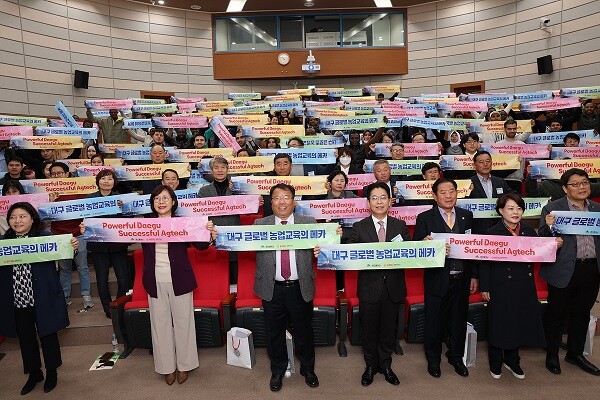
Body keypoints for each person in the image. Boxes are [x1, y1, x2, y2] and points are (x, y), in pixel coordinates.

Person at [0, 202, 78, 395]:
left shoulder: (44, 237)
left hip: (42, 295)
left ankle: (52, 372)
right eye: (13, 217)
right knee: (26, 338)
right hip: (17, 298)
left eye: (22, 216)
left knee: (48, 334)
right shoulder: (4, 241)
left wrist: (72, 247)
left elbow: (64, 253)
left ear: (32, 218)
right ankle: (34, 373)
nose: (17, 221)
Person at [251, 183, 320, 392]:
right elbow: (239, 243)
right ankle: (278, 370)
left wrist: (323, 247)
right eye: (277, 198)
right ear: (271, 202)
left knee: (304, 332)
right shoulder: (259, 224)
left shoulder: (309, 223)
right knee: (274, 333)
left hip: (301, 287)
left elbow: (325, 247)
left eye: (286, 197)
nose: (282, 201)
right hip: (271, 288)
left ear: (294, 201)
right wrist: (219, 236)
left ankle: (308, 369)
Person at [140, 185, 212, 385]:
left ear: (173, 202)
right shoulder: (144, 224)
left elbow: (201, 246)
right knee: (159, 325)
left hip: (180, 278)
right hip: (154, 280)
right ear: (153, 204)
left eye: (165, 198)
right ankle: (166, 368)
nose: (161, 202)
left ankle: (185, 365)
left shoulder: (184, 223)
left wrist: (208, 232)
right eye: (156, 199)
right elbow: (117, 235)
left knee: (184, 324)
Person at [479, 193, 554, 379]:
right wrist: (485, 287)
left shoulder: (528, 230)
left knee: (518, 323)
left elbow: (541, 250)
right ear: (500, 211)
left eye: (519, 208)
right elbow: (484, 263)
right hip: (500, 284)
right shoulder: (491, 233)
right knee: (499, 323)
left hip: (523, 284)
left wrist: (554, 240)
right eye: (511, 208)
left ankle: (513, 360)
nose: (515, 212)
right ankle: (495, 362)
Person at [538, 168, 600, 376]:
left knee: (582, 313)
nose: (582, 187)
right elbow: (543, 239)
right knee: (556, 314)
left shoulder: (596, 209)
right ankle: (552, 354)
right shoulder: (553, 210)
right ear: (565, 188)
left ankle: (575, 353)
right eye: (576, 184)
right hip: (563, 269)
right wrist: (548, 229)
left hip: (591, 268)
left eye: (585, 182)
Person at [414, 178, 477, 378]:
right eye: (443, 192)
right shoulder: (425, 218)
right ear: (434, 195)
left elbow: (473, 249)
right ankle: (433, 359)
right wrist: (424, 243)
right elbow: (416, 250)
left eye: (452, 191)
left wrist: (474, 276)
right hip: (437, 279)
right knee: (434, 323)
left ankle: (456, 357)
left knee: (458, 321)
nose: (448, 195)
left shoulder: (467, 216)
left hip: (462, 278)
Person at [348, 182, 410, 386]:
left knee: (388, 329)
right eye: (374, 198)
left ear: (390, 201)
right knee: (369, 328)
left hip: (394, 286)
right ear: (368, 202)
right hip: (369, 287)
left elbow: (410, 253)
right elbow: (348, 252)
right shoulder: (359, 227)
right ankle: (370, 365)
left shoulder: (400, 226)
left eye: (383, 197)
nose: (379, 201)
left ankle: (386, 364)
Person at [82, 170, 129, 319]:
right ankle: (108, 308)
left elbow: (130, 219)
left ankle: (118, 304)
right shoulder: (90, 199)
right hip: (98, 247)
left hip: (117, 245)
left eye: (110, 179)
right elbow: (85, 219)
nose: (107, 182)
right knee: (102, 279)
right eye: (103, 179)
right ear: (98, 182)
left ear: (114, 182)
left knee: (123, 278)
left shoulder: (120, 199)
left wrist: (125, 208)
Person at [48, 162, 93, 309]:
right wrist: (49, 202)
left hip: (78, 234)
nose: (56, 176)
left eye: (59, 173)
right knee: (64, 269)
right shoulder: (47, 193)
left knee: (83, 267)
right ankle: (65, 296)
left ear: (67, 174)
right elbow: (42, 217)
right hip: (59, 236)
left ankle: (86, 296)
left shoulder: (79, 190)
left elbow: (88, 209)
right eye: (53, 174)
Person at [468, 151, 515, 233]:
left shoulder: (500, 181)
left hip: (500, 227)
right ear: (474, 165)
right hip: (478, 229)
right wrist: (467, 193)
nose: (485, 164)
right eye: (481, 162)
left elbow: (514, 197)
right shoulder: (468, 183)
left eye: (488, 161)